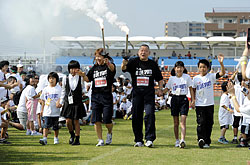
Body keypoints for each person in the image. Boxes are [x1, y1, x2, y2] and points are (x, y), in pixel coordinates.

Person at [121, 44, 164, 148]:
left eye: (145, 51)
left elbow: (160, 79)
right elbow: (124, 68)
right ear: (138, 52)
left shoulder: (152, 64)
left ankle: (149, 139)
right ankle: (138, 140)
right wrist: (124, 62)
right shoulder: (133, 62)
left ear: (149, 53)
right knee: (136, 116)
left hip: (149, 94)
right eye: (141, 50)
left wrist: (160, 89)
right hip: (136, 94)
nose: (143, 52)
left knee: (149, 115)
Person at [79, 48, 116, 146]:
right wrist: (83, 75)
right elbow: (88, 79)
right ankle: (100, 139)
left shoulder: (109, 66)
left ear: (104, 57)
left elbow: (112, 69)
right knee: (96, 119)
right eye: (96, 56)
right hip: (95, 97)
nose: (98, 58)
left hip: (107, 96)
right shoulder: (94, 69)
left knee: (107, 120)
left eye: (100, 56)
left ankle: (109, 132)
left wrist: (108, 63)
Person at [193, 54, 225, 149]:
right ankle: (200, 139)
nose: (202, 69)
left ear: (207, 68)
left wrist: (221, 63)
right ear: (198, 68)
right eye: (200, 67)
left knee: (209, 123)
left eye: (204, 67)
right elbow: (193, 89)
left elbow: (222, 73)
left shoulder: (211, 76)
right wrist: (193, 100)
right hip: (200, 104)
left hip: (210, 104)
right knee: (201, 122)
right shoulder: (195, 79)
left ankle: (207, 141)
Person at [163, 61, 194, 148]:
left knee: (183, 121)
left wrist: (192, 100)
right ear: (175, 69)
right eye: (177, 67)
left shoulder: (187, 77)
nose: (179, 69)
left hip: (183, 99)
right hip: (174, 99)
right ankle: (177, 140)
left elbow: (191, 89)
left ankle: (182, 140)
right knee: (175, 122)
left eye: (180, 67)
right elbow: (167, 88)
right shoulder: (172, 78)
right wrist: (160, 92)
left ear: (183, 68)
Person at [57, 60, 86, 145]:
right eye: (71, 69)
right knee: (68, 121)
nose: (73, 71)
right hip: (68, 102)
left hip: (77, 101)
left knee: (76, 120)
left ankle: (77, 139)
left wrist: (84, 93)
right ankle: (72, 135)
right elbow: (63, 91)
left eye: (75, 68)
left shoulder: (80, 78)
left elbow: (83, 88)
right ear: (69, 69)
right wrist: (61, 102)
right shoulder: (65, 78)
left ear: (78, 69)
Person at [39, 72, 62, 145]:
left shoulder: (59, 88)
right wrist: (42, 110)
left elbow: (61, 97)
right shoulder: (46, 89)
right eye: (50, 78)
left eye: (53, 78)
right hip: (47, 111)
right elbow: (42, 100)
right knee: (46, 125)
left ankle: (56, 138)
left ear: (56, 79)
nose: (51, 80)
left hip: (56, 111)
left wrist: (59, 102)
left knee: (55, 126)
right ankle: (44, 138)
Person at [227, 80, 250, 148]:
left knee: (245, 130)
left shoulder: (248, 106)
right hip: (246, 119)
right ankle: (244, 141)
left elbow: (238, 109)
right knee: (243, 129)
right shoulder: (248, 95)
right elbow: (246, 92)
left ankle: (244, 141)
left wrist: (233, 95)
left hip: (248, 120)